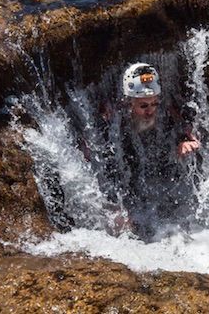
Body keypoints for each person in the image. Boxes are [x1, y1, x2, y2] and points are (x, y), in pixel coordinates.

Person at [75, 63, 201, 239]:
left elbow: (184, 128)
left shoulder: (164, 113)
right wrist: (116, 209)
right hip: (119, 179)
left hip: (151, 178)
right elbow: (100, 165)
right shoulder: (110, 122)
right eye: (143, 106)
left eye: (154, 104)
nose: (150, 111)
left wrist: (184, 141)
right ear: (128, 103)